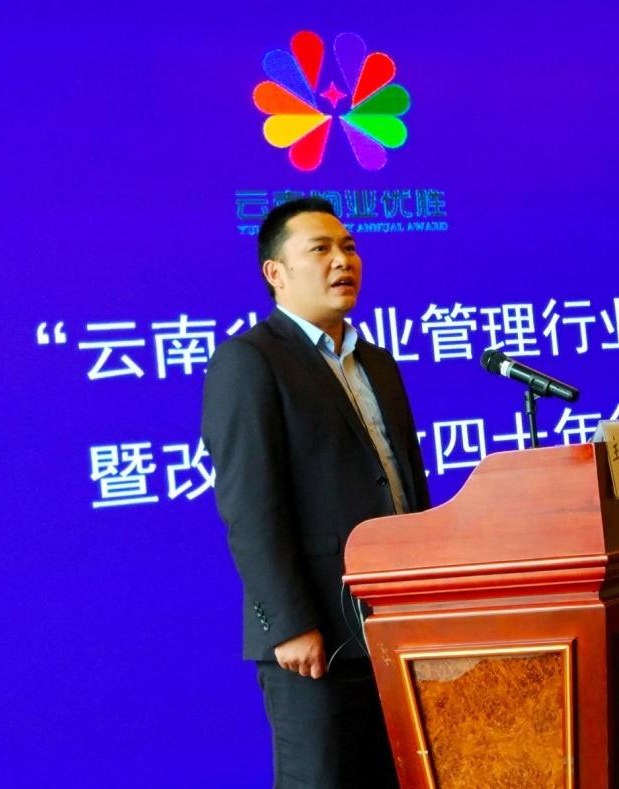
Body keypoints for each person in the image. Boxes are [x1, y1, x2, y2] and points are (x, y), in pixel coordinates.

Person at [201, 196, 429, 787]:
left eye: (349, 247)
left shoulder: (378, 363)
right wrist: (290, 623)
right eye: (321, 249)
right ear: (275, 272)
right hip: (316, 637)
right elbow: (250, 506)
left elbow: (406, 487)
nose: (342, 261)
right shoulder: (250, 362)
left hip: (396, 626)